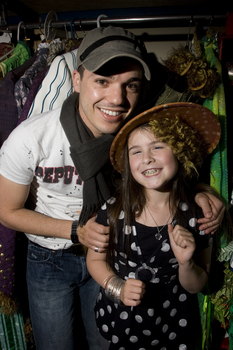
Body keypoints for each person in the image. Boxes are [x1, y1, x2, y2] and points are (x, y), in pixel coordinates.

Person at [0, 26, 224, 350]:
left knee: (106, 339)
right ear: (77, 81)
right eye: (102, 81)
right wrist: (75, 230)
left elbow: (167, 168)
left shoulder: (137, 132)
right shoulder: (30, 138)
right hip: (49, 258)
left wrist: (201, 192)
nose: (117, 99)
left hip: (117, 255)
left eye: (129, 85)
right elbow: (6, 211)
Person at [87, 102, 230, 350]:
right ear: (128, 163)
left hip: (173, 327)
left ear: (180, 151)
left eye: (158, 146)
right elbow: (95, 261)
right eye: (136, 151)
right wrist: (117, 287)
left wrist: (186, 263)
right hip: (123, 325)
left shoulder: (199, 216)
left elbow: (197, 284)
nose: (148, 158)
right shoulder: (112, 211)